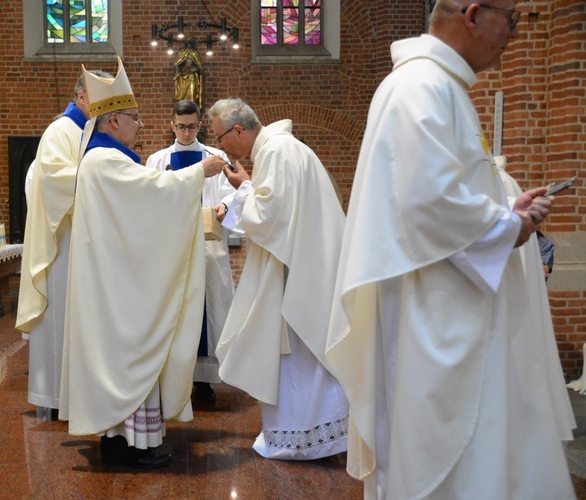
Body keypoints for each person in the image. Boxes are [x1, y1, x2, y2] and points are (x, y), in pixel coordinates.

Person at [325, 1, 575, 498]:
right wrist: (510, 226)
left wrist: (505, 206)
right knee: (455, 458)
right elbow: (426, 203)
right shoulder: (424, 86)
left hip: (449, 302)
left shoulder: (436, 85)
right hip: (438, 315)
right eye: (514, 19)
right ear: (474, 15)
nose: (515, 33)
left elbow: (442, 191)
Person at [58, 58, 228, 469]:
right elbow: (154, 195)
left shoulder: (108, 160)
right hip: (117, 289)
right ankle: (122, 447)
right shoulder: (105, 162)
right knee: (127, 358)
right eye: (135, 118)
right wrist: (197, 175)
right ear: (113, 120)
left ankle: (133, 442)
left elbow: (145, 204)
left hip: (120, 281)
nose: (140, 125)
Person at [208, 98, 349, 460]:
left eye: (220, 138)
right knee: (298, 358)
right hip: (302, 265)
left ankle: (306, 440)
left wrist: (242, 188)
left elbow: (268, 217)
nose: (220, 147)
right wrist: (246, 190)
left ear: (238, 130)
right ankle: (304, 436)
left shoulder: (277, 151)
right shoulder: (283, 149)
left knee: (301, 357)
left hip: (298, 274)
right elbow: (276, 211)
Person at [16, 70, 110, 419]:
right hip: (62, 242)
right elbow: (55, 180)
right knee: (60, 319)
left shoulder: (87, 131)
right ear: (82, 97)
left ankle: (77, 394)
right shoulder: (61, 131)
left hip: (82, 240)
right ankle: (55, 395)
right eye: (100, 98)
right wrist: (105, 177)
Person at [145, 99, 236, 403]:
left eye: (192, 126)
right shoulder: (157, 161)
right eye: (180, 126)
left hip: (208, 249)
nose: (186, 132)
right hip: (173, 252)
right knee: (177, 310)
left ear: (200, 125)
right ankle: (174, 375)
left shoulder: (217, 157)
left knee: (207, 311)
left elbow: (234, 192)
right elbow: (150, 199)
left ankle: (204, 381)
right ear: (171, 125)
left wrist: (225, 205)